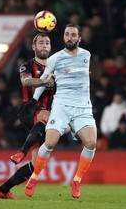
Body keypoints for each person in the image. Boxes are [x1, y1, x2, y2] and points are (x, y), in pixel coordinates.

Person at [25, 24, 97, 199]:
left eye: (73, 35)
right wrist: (34, 101)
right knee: (49, 143)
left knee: (91, 143)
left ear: (79, 38)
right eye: (67, 34)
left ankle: (77, 180)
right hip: (62, 106)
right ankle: (34, 177)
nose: (70, 37)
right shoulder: (55, 58)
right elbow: (43, 79)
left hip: (83, 107)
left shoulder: (87, 55)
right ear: (64, 37)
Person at [0, 33, 55, 199]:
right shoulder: (27, 66)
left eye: (47, 43)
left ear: (50, 47)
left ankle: (2, 190)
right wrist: (46, 81)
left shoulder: (56, 67)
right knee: (47, 115)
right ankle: (21, 152)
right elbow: (26, 82)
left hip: (40, 123)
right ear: (34, 47)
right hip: (29, 109)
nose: (44, 45)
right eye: (40, 43)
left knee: (36, 166)